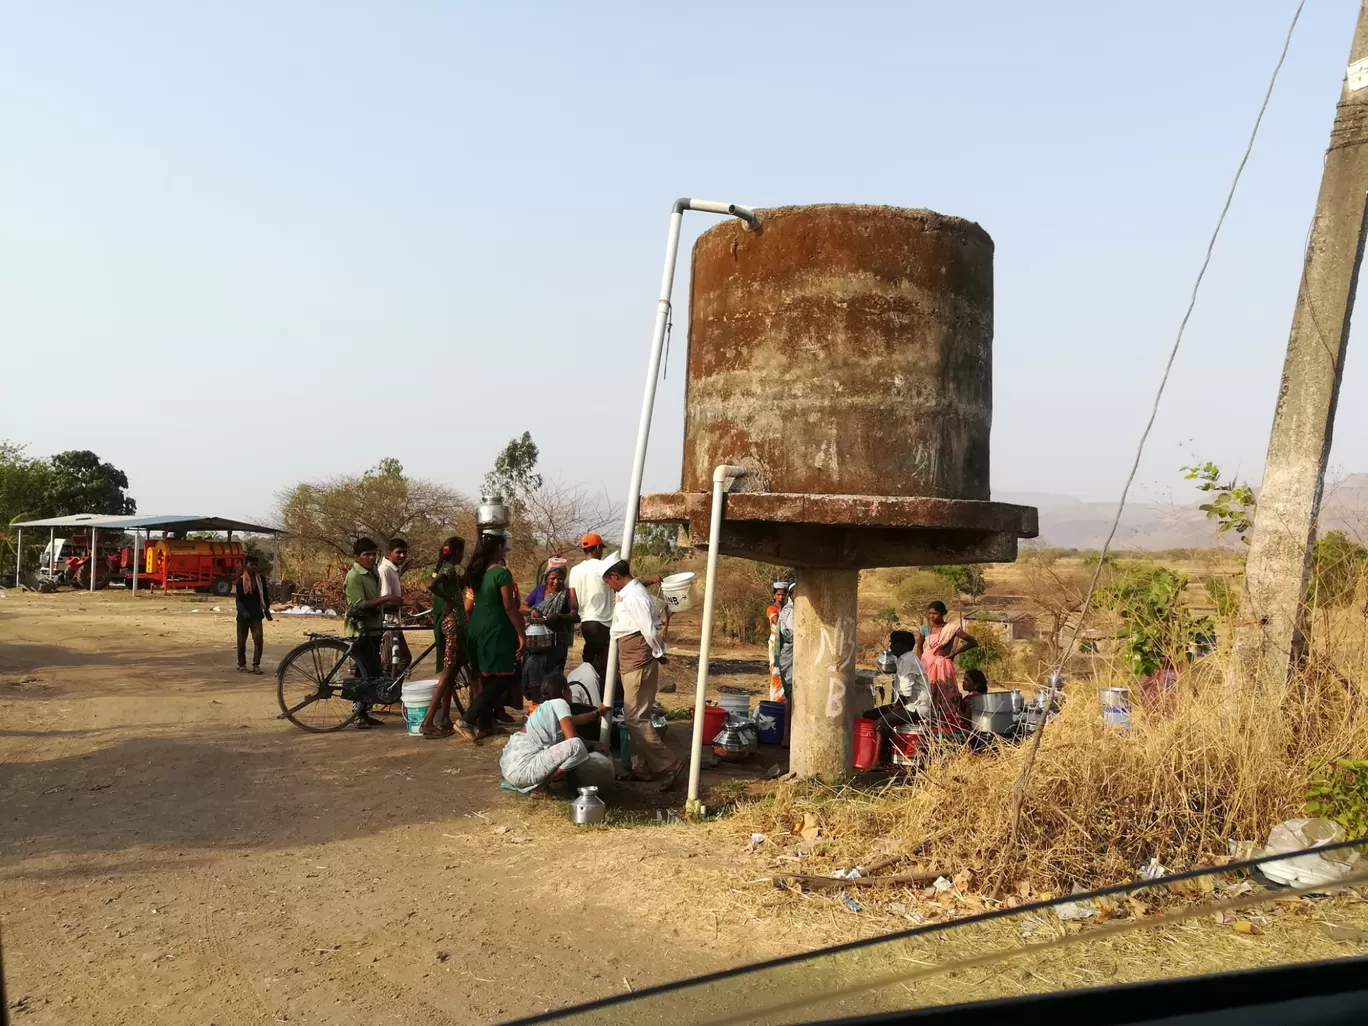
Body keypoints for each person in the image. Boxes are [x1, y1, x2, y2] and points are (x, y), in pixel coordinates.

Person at [603, 560, 682, 786]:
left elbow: (648, 628)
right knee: (641, 716)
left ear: (616, 576)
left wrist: (659, 651)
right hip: (635, 659)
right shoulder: (631, 593)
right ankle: (645, 767)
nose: (609, 586)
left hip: (637, 660)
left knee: (634, 718)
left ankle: (669, 763)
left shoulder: (635, 596)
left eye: (609, 581)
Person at [455, 532, 526, 742]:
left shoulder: (477, 573)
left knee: (487, 677)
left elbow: (469, 606)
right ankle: (467, 719)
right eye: (504, 546)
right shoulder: (502, 574)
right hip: (496, 630)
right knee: (502, 678)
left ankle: (485, 725)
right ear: (498, 548)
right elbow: (508, 605)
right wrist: (521, 633)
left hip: (477, 629)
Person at [499, 672, 614, 796]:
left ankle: (538, 784)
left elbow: (578, 719)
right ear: (563, 691)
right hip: (524, 769)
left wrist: (598, 712)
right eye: (569, 688)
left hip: (510, 768)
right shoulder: (560, 703)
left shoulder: (547, 708)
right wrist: (593, 745)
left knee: (575, 745)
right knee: (576, 745)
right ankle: (542, 787)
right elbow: (572, 739)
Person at [343, 537, 399, 729]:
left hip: (374, 628)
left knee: (368, 673)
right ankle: (358, 714)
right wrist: (386, 599)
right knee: (365, 673)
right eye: (367, 555)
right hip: (360, 630)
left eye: (374, 554)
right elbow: (357, 605)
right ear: (357, 557)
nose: (371, 558)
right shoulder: (354, 576)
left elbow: (374, 601)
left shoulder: (372, 572)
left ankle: (364, 712)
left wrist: (397, 603)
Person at [420, 536, 468, 738]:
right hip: (453, 625)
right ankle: (428, 722)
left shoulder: (448, 569)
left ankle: (444, 719)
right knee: (447, 674)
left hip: (451, 625)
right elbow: (432, 585)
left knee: (452, 672)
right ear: (457, 553)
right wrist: (450, 601)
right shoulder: (448, 569)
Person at [520, 564, 578, 701]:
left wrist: (560, 617)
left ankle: (548, 704)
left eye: (560, 578)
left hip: (557, 641)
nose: (556, 581)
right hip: (537, 641)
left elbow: (575, 616)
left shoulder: (569, 594)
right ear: (547, 579)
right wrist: (532, 610)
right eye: (553, 578)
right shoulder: (539, 590)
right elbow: (522, 608)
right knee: (531, 666)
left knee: (550, 676)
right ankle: (537, 704)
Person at [863, 630, 933, 730]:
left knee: (882, 723)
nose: (891, 646)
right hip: (907, 705)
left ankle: (884, 746)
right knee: (869, 715)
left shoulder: (908, 661)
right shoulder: (904, 659)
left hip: (915, 708)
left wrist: (894, 711)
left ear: (904, 645)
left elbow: (905, 694)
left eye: (894, 643)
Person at [922, 601, 977, 727]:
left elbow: (972, 642)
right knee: (928, 695)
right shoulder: (925, 628)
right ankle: (930, 725)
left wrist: (956, 652)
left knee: (946, 696)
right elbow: (919, 646)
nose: (931, 616)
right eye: (930, 613)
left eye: (935, 613)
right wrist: (922, 661)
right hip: (927, 667)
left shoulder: (951, 629)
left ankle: (947, 725)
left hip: (943, 667)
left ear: (943, 613)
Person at [567, 534, 613, 682]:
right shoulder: (604, 567)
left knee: (590, 662)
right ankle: (600, 698)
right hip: (604, 623)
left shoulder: (575, 570)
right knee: (604, 666)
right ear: (598, 547)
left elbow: (573, 601)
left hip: (586, 623)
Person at [233, 555, 272, 674]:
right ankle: (242, 664)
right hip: (243, 615)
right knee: (241, 641)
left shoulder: (261, 580)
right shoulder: (240, 581)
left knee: (258, 639)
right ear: (246, 566)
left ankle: (256, 665)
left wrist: (267, 611)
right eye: (251, 565)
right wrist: (244, 612)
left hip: (256, 614)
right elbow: (239, 600)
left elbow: (264, 597)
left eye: (255, 565)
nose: (253, 567)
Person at [378, 538, 411, 677]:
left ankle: (391, 690)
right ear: (389, 553)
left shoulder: (394, 569)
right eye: (399, 552)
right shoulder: (385, 570)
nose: (402, 556)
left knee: (393, 662)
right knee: (401, 660)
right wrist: (406, 603)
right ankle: (390, 690)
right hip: (388, 623)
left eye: (404, 552)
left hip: (394, 621)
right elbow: (387, 599)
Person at [766, 582, 790, 702]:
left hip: (786, 643)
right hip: (775, 643)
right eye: (779, 594)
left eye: (783, 595)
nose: (781, 597)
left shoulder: (787, 609)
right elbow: (777, 622)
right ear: (774, 595)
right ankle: (775, 699)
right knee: (776, 670)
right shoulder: (772, 609)